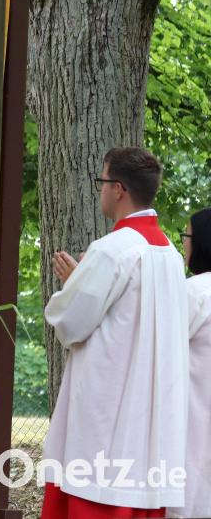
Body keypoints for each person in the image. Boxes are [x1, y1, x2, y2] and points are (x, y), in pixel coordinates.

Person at [41, 147, 188, 516]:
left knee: (96, 491)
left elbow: (70, 322)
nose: (100, 190)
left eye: (102, 182)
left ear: (118, 189)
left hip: (109, 407)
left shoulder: (111, 251)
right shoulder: (170, 254)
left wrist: (72, 286)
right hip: (152, 410)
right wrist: (82, 284)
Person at [168, 208, 211, 518]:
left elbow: (154, 346)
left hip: (193, 420)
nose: (184, 243)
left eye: (187, 236)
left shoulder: (194, 293)